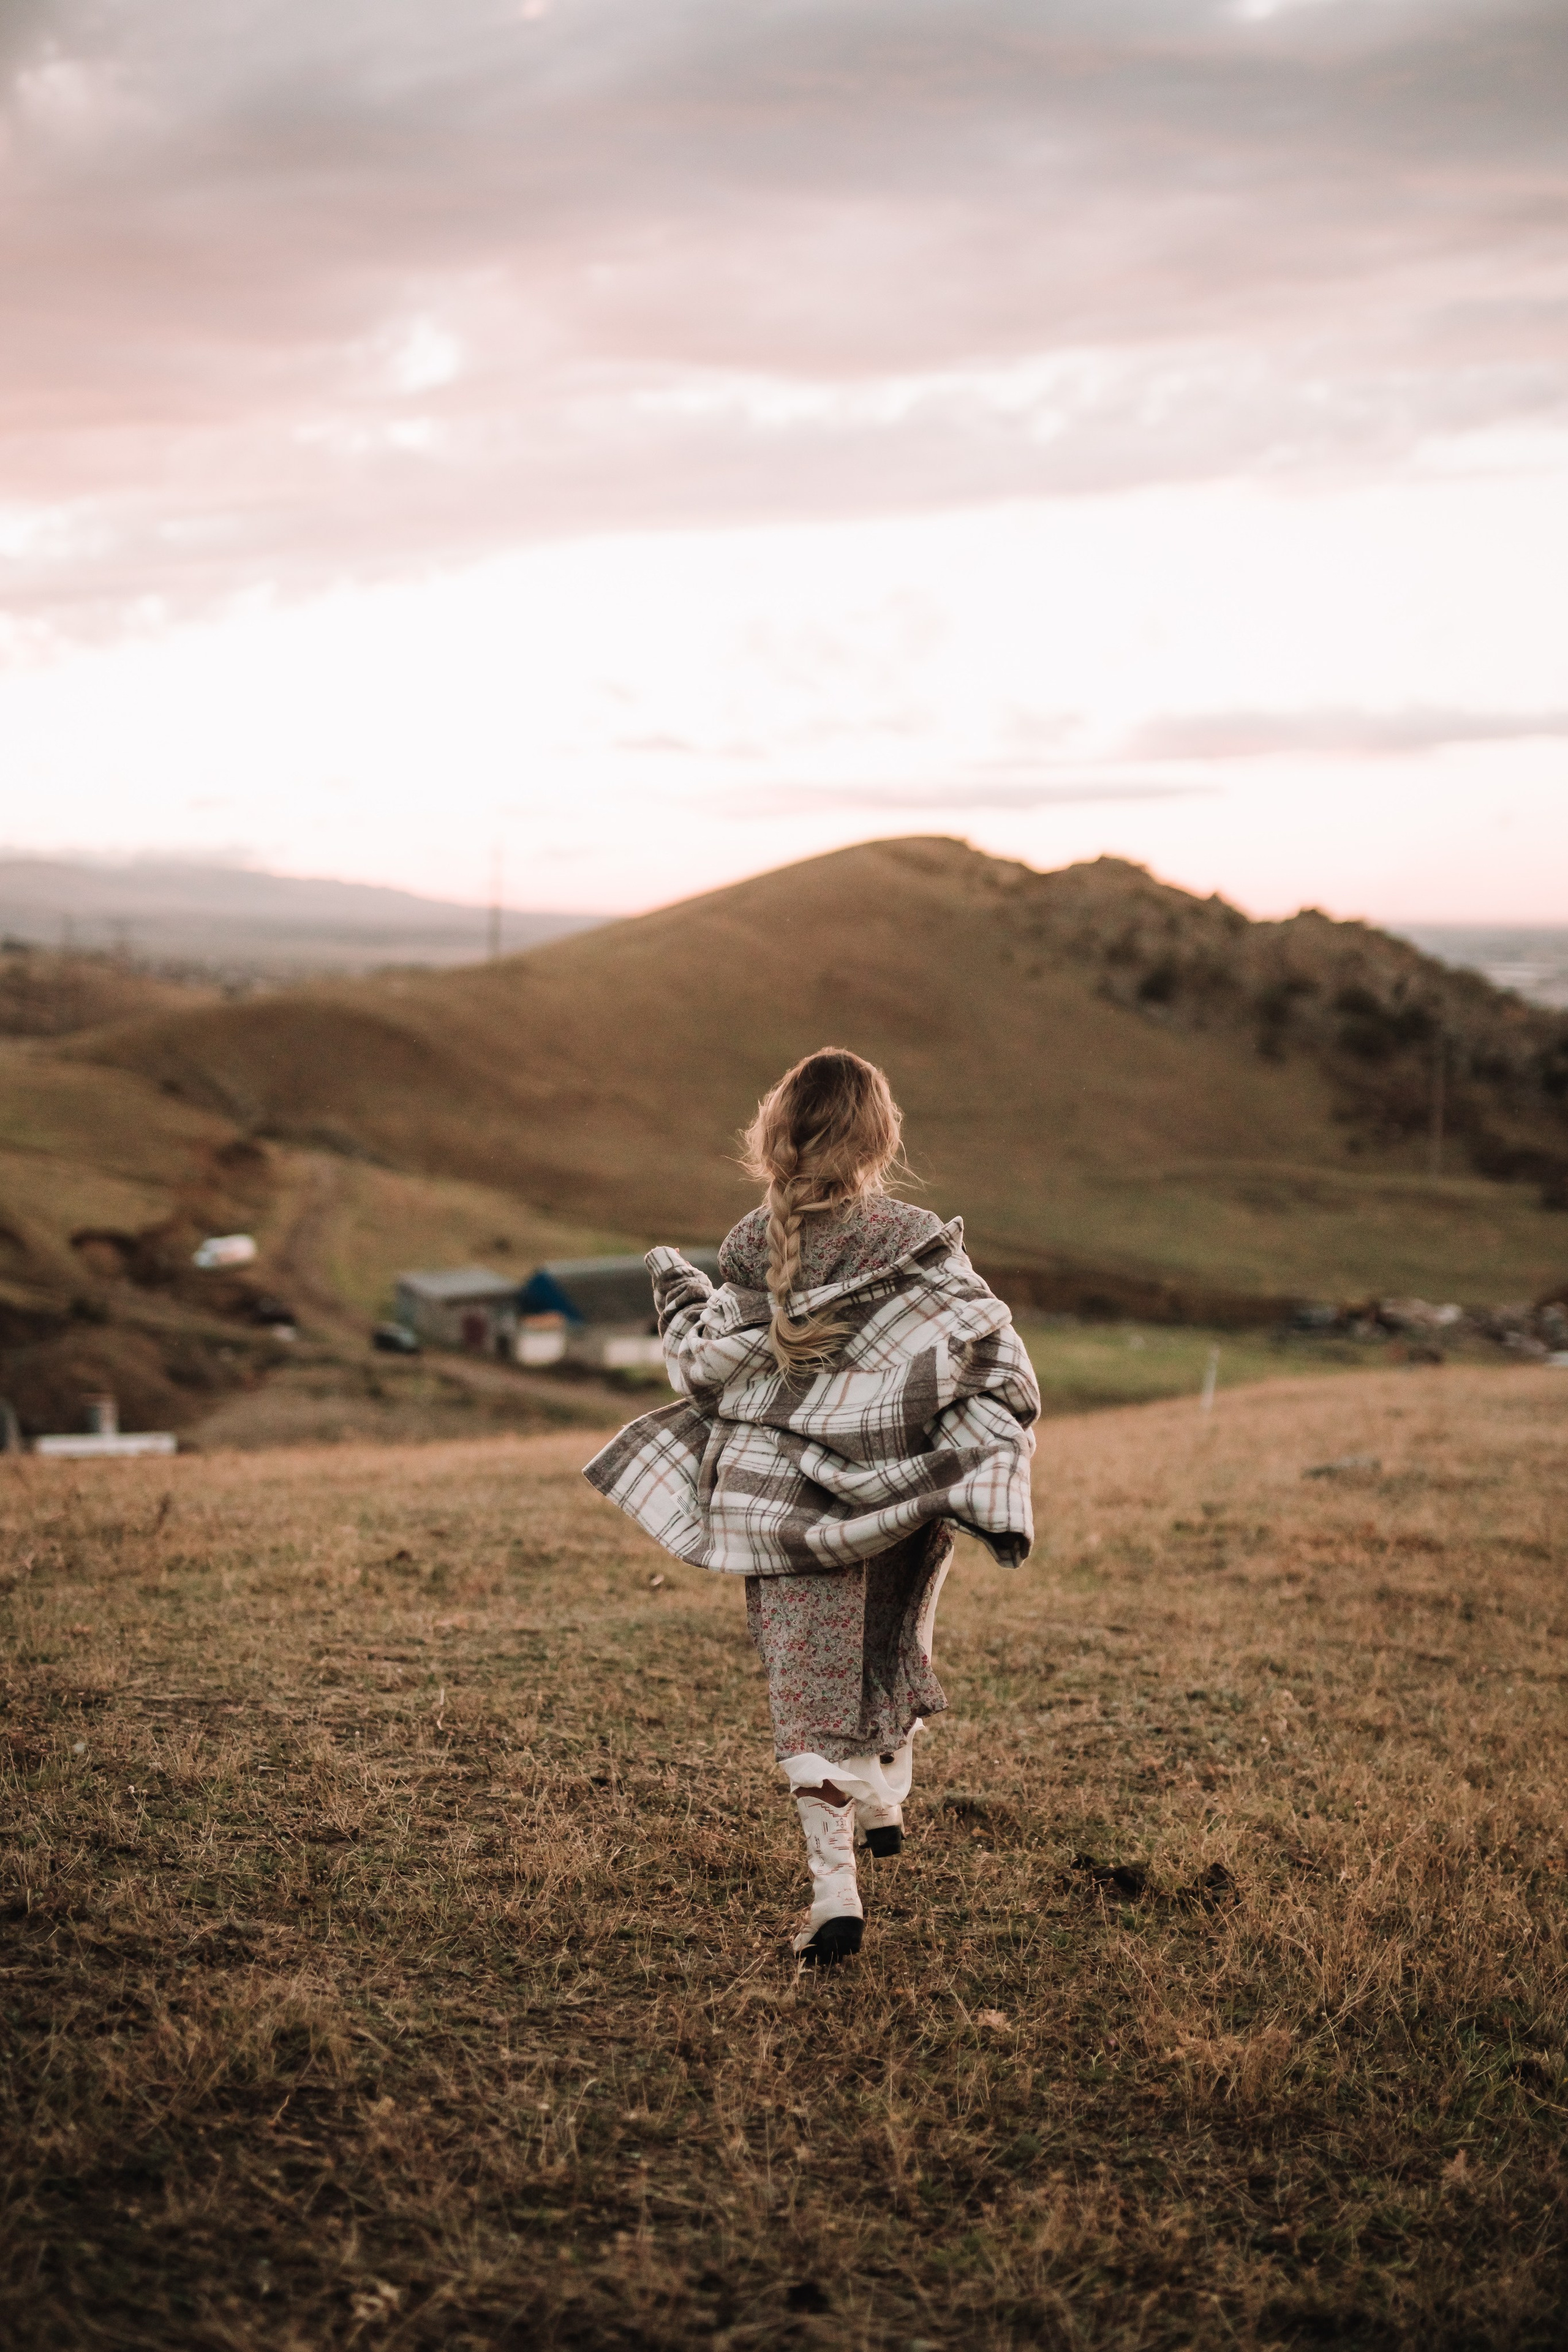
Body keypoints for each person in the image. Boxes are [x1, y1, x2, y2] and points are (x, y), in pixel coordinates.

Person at [583, 1047, 1040, 1964]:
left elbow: (713, 1359)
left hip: (784, 1511)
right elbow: (988, 1350)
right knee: (886, 1643)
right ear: (880, 1138)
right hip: (899, 1497)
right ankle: (884, 1795)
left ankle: (838, 1888)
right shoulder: (910, 1235)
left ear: (774, 1135)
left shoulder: (751, 1243)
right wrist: (979, 1459)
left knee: (805, 1683)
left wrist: (688, 1304)